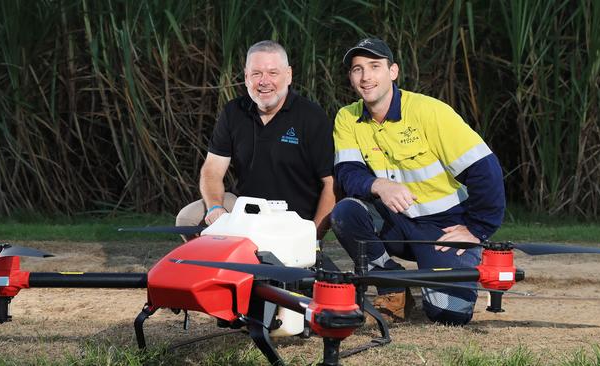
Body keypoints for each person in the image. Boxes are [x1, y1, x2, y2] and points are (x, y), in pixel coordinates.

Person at [331, 38, 505, 326]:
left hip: (444, 227)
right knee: (345, 213)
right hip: (395, 223)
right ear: (351, 77)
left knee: (448, 316)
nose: (366, 77)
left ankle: (459, 263)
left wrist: (477, 229)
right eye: (357, 69)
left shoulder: (429, 111)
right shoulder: (347, 117)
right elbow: (348, 174)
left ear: (393, 71)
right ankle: (391, 285)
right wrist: (379, 186)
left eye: (374, 66)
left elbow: (485, 169)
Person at [177, 40, 335, 240]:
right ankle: (220, 269)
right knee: (187, 218)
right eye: (256, 73)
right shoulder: (233, 112)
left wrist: (313, 237)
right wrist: (215, 208)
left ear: (288, 75)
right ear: (246, 77)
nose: (264, 81)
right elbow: (212, 170)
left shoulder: (312, 116)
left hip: (292, 219)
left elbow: (331, 184)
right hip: (245, 210)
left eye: (272, 73)